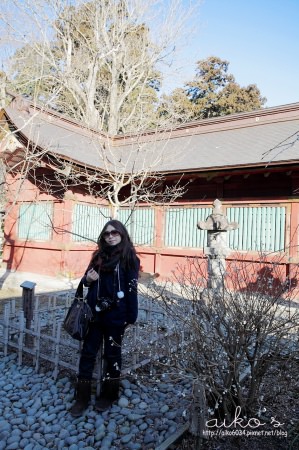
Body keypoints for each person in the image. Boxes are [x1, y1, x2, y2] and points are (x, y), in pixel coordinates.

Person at [70, 219, 140, 417]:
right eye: (107, 234)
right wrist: (87, 280)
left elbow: (132, 289)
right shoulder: (98, 257)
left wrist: (131, 317)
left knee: (112, 355)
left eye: (114, 233)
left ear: (122, 235)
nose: (110, 236)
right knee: (88, 354)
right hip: (93, 314)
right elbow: (85, 282)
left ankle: (109, 395)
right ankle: (82, 397)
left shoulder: (129, 258)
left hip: (116, 316)